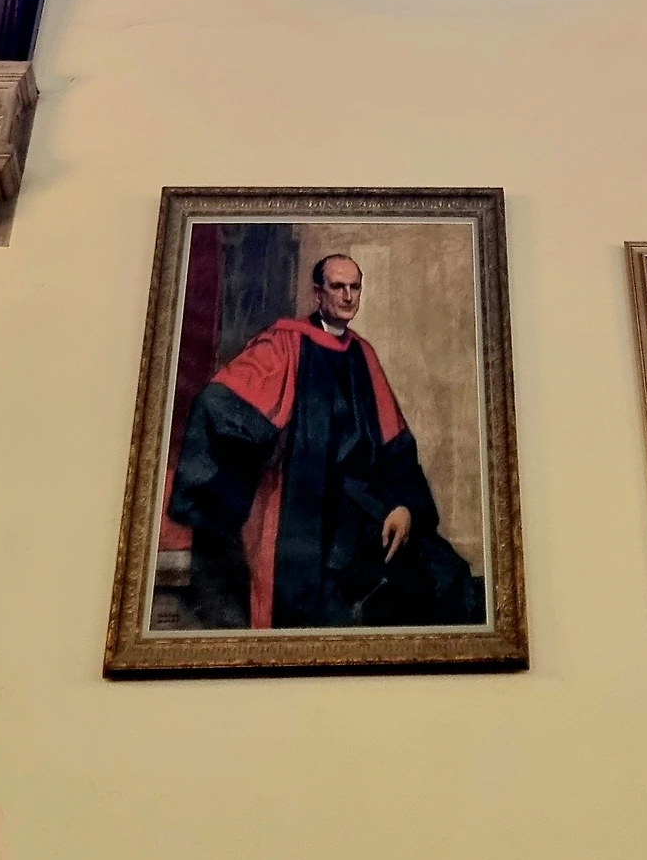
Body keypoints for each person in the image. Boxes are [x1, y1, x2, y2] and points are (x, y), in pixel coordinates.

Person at [168, 253, 485, 630]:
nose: (348, 296)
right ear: (318, 293)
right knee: (312, 605)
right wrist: (269, 445)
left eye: (354, 287)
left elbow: (395, 444)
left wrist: (403, 505)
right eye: (338, 287)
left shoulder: (363, 355)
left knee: (443, 574)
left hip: (358, 503)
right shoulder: (285, 344)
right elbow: (216, 403)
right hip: (302, 509)